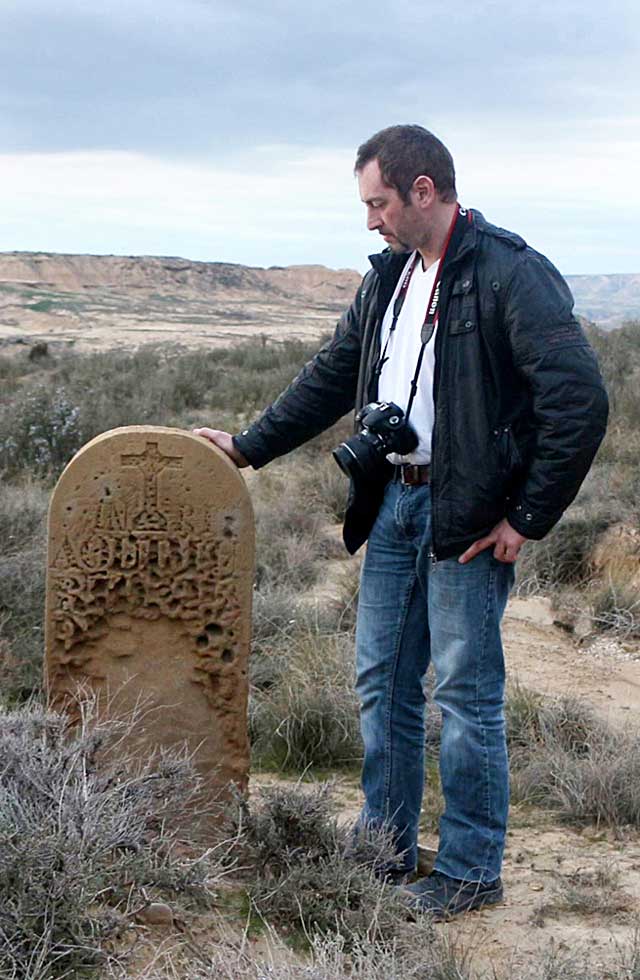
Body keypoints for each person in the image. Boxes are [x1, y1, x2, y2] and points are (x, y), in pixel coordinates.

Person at [194, 125, 608, 919]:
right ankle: (384, 849)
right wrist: (249, 447)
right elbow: (327, 377)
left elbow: (580, 401)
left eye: (378, 203)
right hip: (394, 500)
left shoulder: (509, 273)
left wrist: (528, 516)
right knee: (381, 681)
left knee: (465, 691)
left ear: (424, 191)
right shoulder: (386, 278)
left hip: (471, 515)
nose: (370, 221)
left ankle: (470, 871)